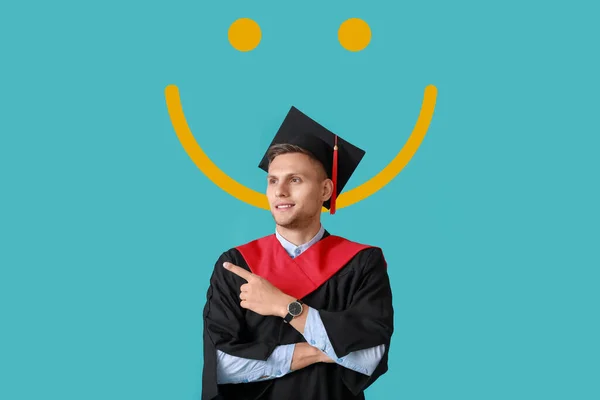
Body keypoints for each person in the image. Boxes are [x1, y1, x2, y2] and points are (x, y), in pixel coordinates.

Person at [201, 106, 394, 400]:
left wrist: (285, 307)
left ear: (326, 190)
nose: (280, 192)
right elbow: (222, 366)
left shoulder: (362, 263)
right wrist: (326, 349)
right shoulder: (235, 264)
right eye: (273, 180)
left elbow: (370, 358)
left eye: (295, 180)